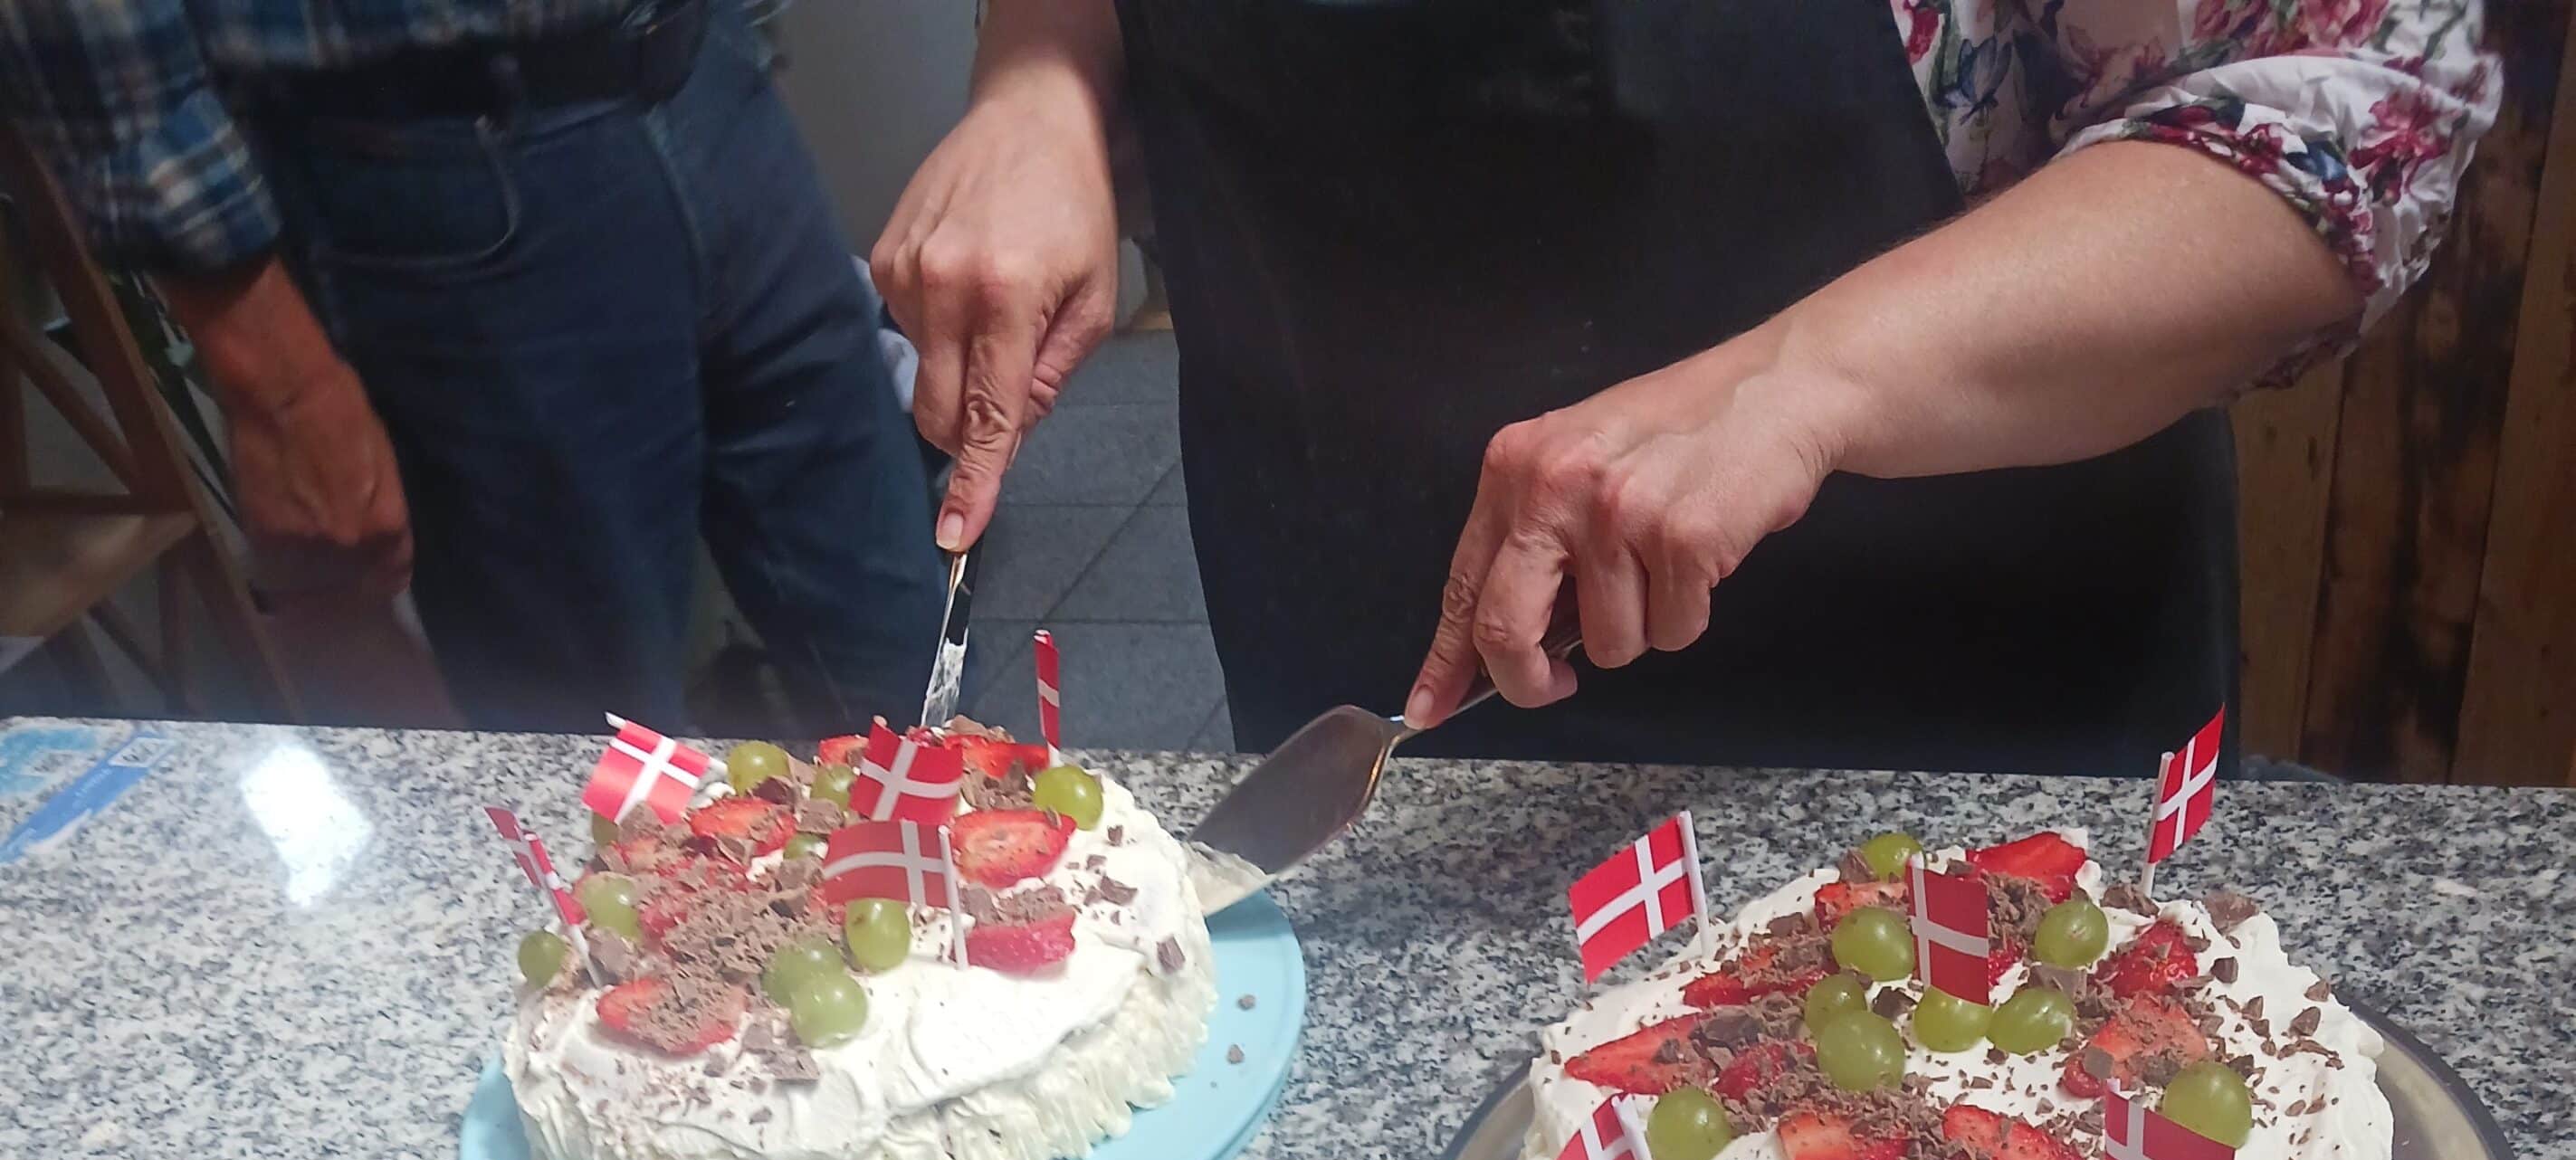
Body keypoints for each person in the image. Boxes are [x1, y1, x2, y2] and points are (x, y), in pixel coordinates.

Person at [874, 0, 2495, 773]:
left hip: (1954, 726)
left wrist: (1804, 378)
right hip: (1361, 681)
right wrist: (1040, 81)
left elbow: (2338, 99)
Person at [0, 0, 945, 733]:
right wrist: (275, 381)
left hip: (707, 72)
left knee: (908, 667)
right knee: (589, 757)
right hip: (437, 148)